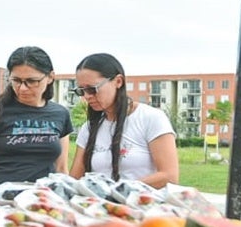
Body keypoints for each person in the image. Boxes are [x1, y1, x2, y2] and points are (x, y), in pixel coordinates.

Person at [0, 46, 74, 207]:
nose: (22, 88)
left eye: (32, 81)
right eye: (16, 80)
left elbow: (61, 168)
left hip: (43, 206)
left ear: (51, 77)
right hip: (0, 205)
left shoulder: (60, 114)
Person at [68, 53, 179, 188]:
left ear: (118, 81)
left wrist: (118, 191)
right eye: (81, 91)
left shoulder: (151, 118)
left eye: (92, 89)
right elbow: (74, 180)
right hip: (100, 207)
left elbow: (169, 176)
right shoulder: (89, 128)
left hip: (141, 205)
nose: (86, 97)